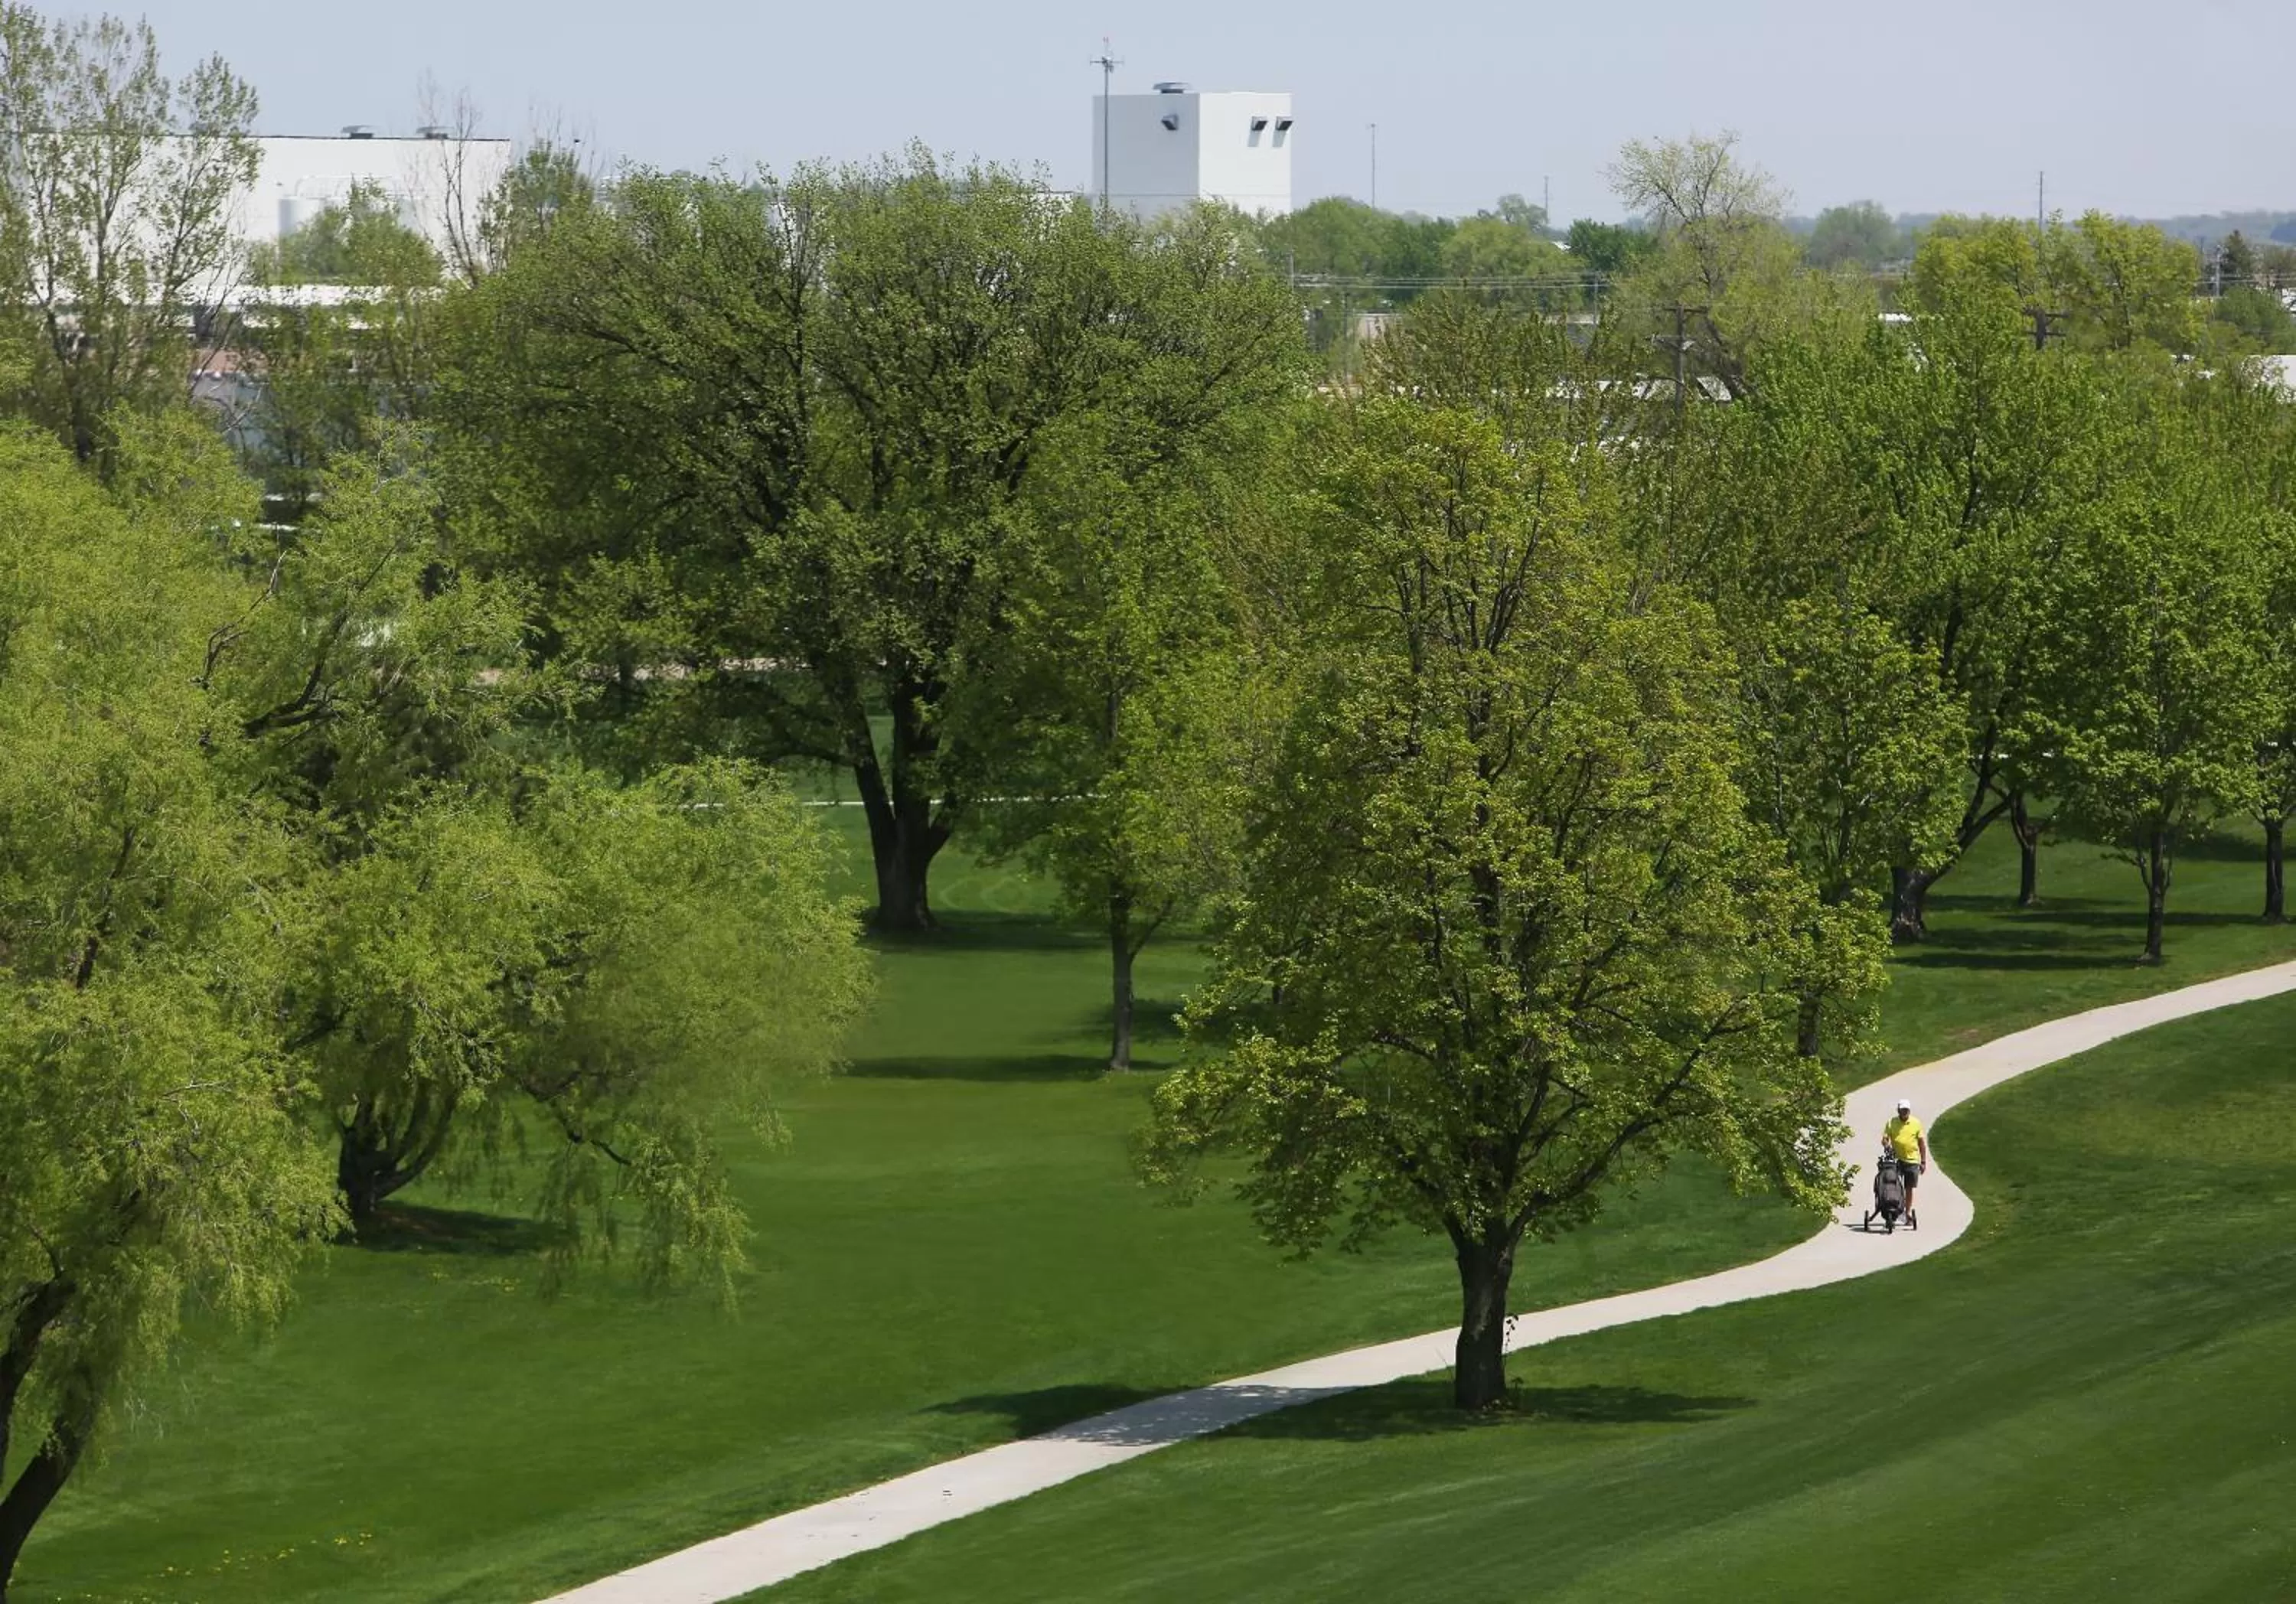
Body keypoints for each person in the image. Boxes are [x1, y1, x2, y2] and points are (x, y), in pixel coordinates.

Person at [1883, 1097, 1929, 1225]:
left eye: (1907, 1110)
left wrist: (1923, 1162)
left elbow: (1922, 1144)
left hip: (1912, 1160)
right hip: (1896, 1160)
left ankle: (1907, 1212)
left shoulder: (1916, 1123)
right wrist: (1887, 1145)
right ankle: (1893, 1211)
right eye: (1902, 1110)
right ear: (1898, 1110)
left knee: (1909, 1188)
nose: (1905, 1112)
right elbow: (1885, 1138)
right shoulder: (1892, 1122)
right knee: (1893, 1185)